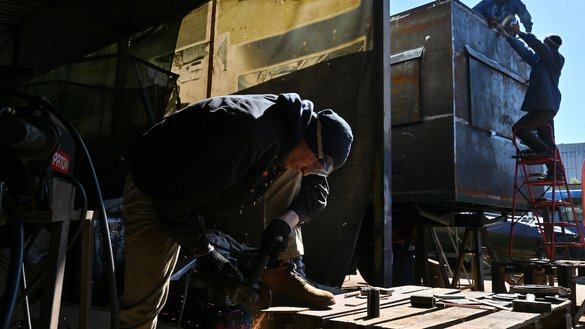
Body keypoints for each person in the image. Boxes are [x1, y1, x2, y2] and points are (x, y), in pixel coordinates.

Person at [119, 93, 353, 328]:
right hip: (156, 186)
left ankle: (277, 272)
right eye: (315, 164)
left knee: (294, 167)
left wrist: (285, 222)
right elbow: (172, 202)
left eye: (319, 168)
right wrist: (205, 253)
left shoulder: (299, 131)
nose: (308, 171)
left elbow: (317, 191)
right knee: (145, 304)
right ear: (311, 140)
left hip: (202, 183)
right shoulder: (251, 134)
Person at [497, 23, 565, 180]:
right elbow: (525, 52)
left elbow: (538, 46)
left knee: (518, 129)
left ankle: (542, 150)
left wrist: (520, 32)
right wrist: (508, 37)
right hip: (544, 107)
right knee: (548, 140)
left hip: (544, 106)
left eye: (544, 42)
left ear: (549, 44)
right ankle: (556, 174)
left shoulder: (555, 58)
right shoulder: (540, 61)